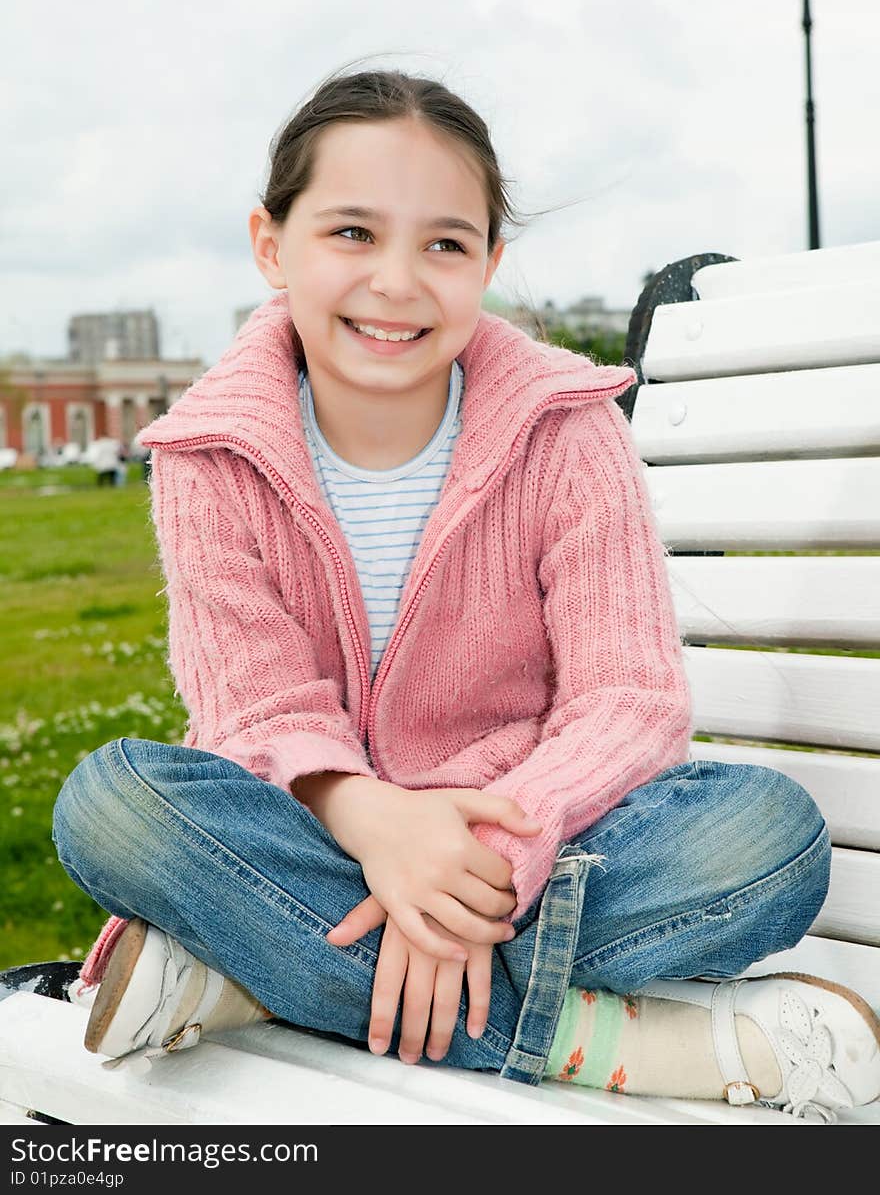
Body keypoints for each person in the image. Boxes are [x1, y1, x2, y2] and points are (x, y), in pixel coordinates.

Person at [52, 66, 879, 1122]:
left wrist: (483, 854)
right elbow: (255, 714)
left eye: (444, 243)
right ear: (273, 245)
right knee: (112, 803)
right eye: (351, 232)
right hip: (322, 830)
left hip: (539, 836)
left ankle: (258, 977)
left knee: (766, 837)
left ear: (488, 260)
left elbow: (627, 699)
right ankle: (593, 1040)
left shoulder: (565, 429)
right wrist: (379, 828)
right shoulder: (210, 454)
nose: (397, 280)